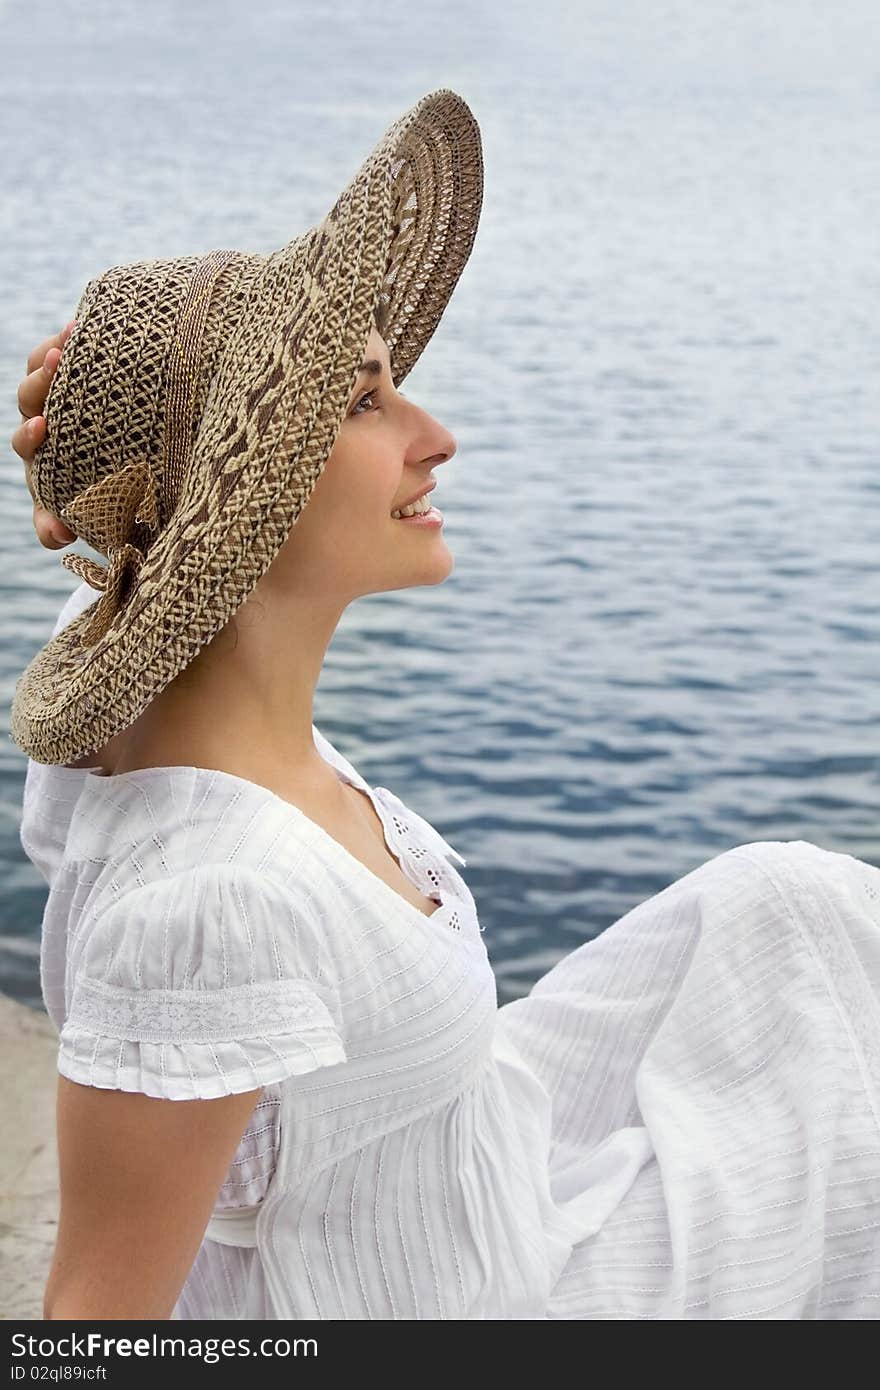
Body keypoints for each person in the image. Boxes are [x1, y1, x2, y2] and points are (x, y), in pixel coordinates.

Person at [9, 91, 880, 1322]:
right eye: (364, 401)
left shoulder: (156, 710)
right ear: (237, 493)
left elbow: (115, 537)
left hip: (476, 1154)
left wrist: (96, 426)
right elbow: (91, 1330)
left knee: (789, 905)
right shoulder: (209, 913)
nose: (437, 435)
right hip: (476, 1302)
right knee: (843, 1145)